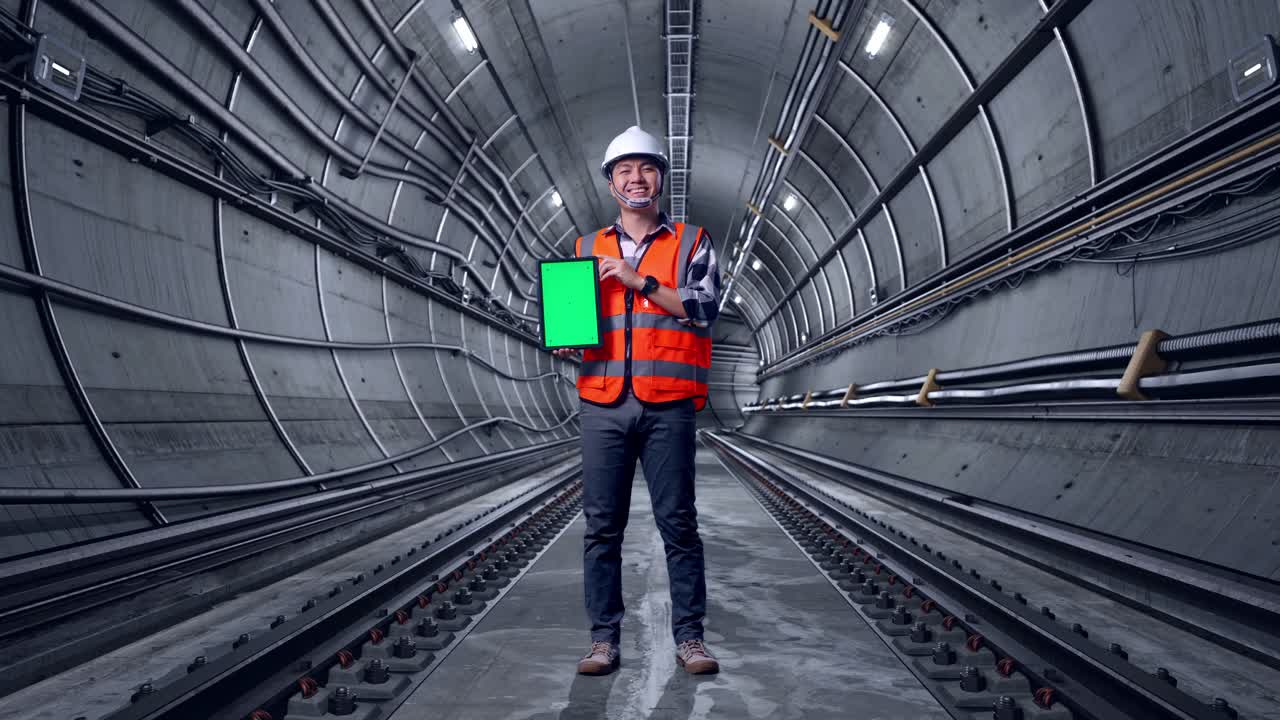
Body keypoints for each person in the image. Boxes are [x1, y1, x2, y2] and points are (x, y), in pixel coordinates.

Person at [552, 126, 721, 676]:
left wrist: (638, 279)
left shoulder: (691, 241)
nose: (636, 178)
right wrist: (567, 336)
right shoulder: (581, 249)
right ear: (610, 183)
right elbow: (564, 325)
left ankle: (690, 638)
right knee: (602, 527)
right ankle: (603, 640)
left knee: (678, 523)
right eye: (624, 169)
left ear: (661, 178)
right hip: (603, 401)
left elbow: (701, 308)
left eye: (646, 168)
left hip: (668, 402)